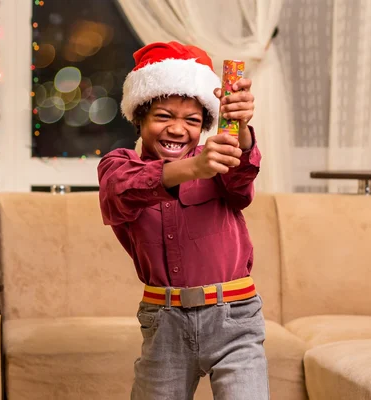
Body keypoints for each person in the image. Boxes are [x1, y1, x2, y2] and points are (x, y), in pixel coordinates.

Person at [97, 41, 267, 400]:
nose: (177, 129)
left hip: (234, 315)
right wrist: (193, 168)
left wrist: (242, 129)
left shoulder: (217, 156)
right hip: (163, 321)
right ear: (138, 118)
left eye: (191, 120)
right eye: (163, 116)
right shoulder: (117, 165)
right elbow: (122, 191)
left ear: (203, 125)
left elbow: (240, 176)